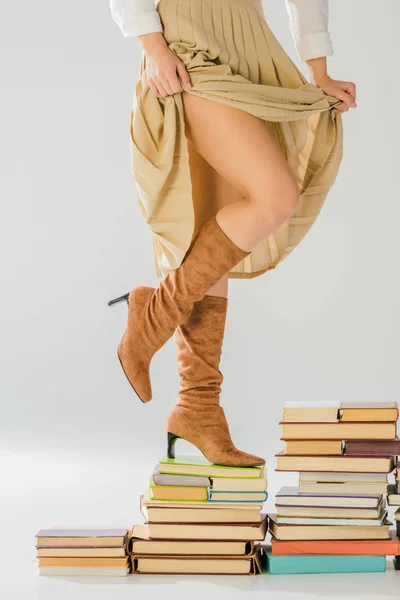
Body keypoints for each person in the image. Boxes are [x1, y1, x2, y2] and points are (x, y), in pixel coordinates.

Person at [108, 0, 356, 466]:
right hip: (184, 43)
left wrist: (318, 68)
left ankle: (197, 407)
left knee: (212, 224)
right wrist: (151, 42)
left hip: (250, 45)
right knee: (275, 194)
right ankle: (154, 314)